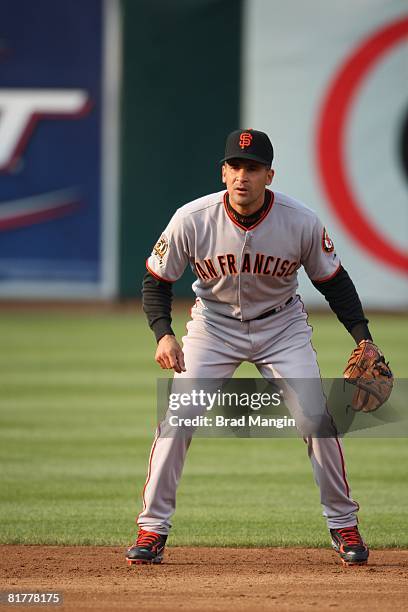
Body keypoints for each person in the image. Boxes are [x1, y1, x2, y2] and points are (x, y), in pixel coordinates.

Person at [127, 128, 375, 567]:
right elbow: (156, 281)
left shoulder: (300, 221)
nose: (243, 176)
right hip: (214, 326)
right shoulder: (192, 218)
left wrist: (364, 340)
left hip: (282, 327)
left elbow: (335, 284)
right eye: (236, 166)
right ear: (223, 172)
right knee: (179, 417)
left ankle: (343, 524)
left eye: (254, 168)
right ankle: (152, 529)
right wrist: (163, 332)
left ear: (269, 175)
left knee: (315, 418)